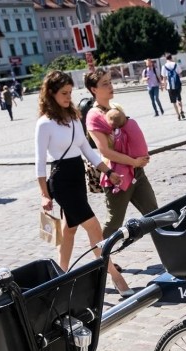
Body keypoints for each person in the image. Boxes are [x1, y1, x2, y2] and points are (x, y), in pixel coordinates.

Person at [34, 70, 131, 295]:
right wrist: (44, 194)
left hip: (78, 177)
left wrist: (108, 171)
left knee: (69, 231)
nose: (68, 97)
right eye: (64, 93)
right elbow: (39, 162)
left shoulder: (74, 117)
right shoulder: (44, 124)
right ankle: (116, 278)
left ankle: (59, 278)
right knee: (94, 227)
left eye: (70, 92)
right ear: (51, 94)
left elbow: (87, 150)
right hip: (62, 181)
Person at [83, 69, 158, 246]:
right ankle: (102, 262)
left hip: (136, 173)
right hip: (117, 177)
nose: (110, 86)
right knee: (113, 225)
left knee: (154, 214)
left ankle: (173, 254)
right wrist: (133, 161)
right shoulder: (93, 116)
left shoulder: (115, 108)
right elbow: (105, 151)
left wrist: (139, 158)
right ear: (94, 90)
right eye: (105, 84)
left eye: (110, 81)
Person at [103, 108, 148, 192]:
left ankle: (118, 186)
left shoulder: (119, 133)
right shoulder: (133, 122)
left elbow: (118, 148)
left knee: (121, 166)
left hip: (134, 157)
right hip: (144, 154)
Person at [161, 53, 185, 120]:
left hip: (170, 86)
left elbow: (164, 78)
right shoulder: (175, 64)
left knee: (174, 101)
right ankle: (181, 110)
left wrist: (165, 86)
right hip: (177, 84)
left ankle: (178, 115)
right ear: (171, 58)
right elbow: (180, 74)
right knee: (179, 99)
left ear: (166, 59)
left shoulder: (164, 66)